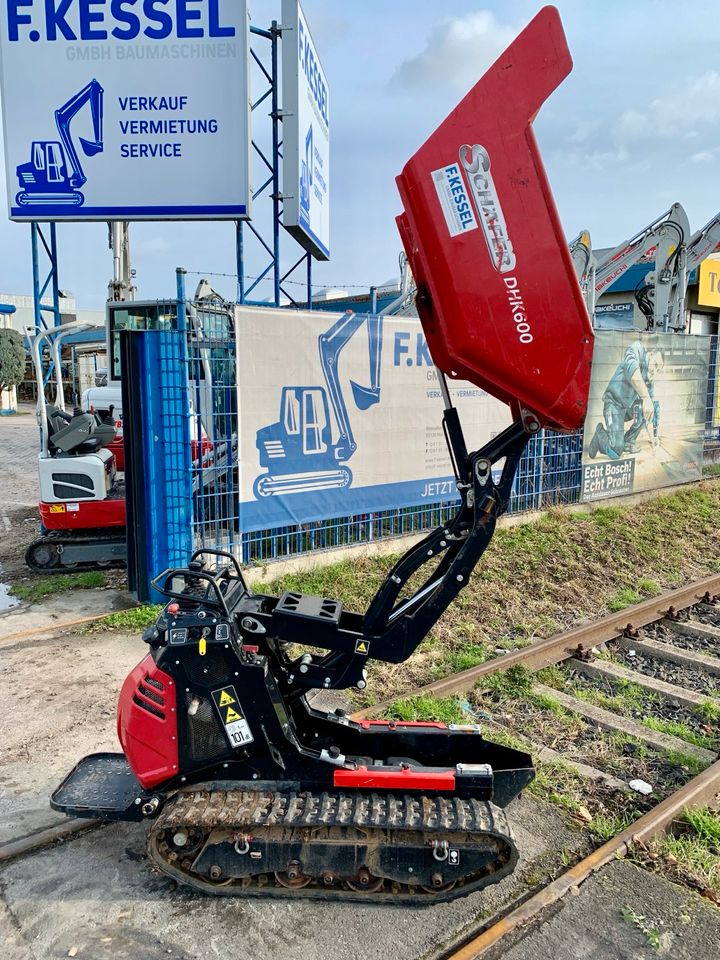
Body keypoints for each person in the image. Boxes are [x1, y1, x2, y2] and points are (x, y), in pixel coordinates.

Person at [587, 341, 663, 460]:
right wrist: (646, 398)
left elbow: (649, 415)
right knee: (616, 450)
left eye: (659, 370)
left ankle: (628, 441)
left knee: (648, 408)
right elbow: (631, 370)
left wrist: (653, 438)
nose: (655, 371)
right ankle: (599, 434)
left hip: (627, 409)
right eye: (656, 364)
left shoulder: (649, 381)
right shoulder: (637, 349)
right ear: (651, 354)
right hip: (614, 404)